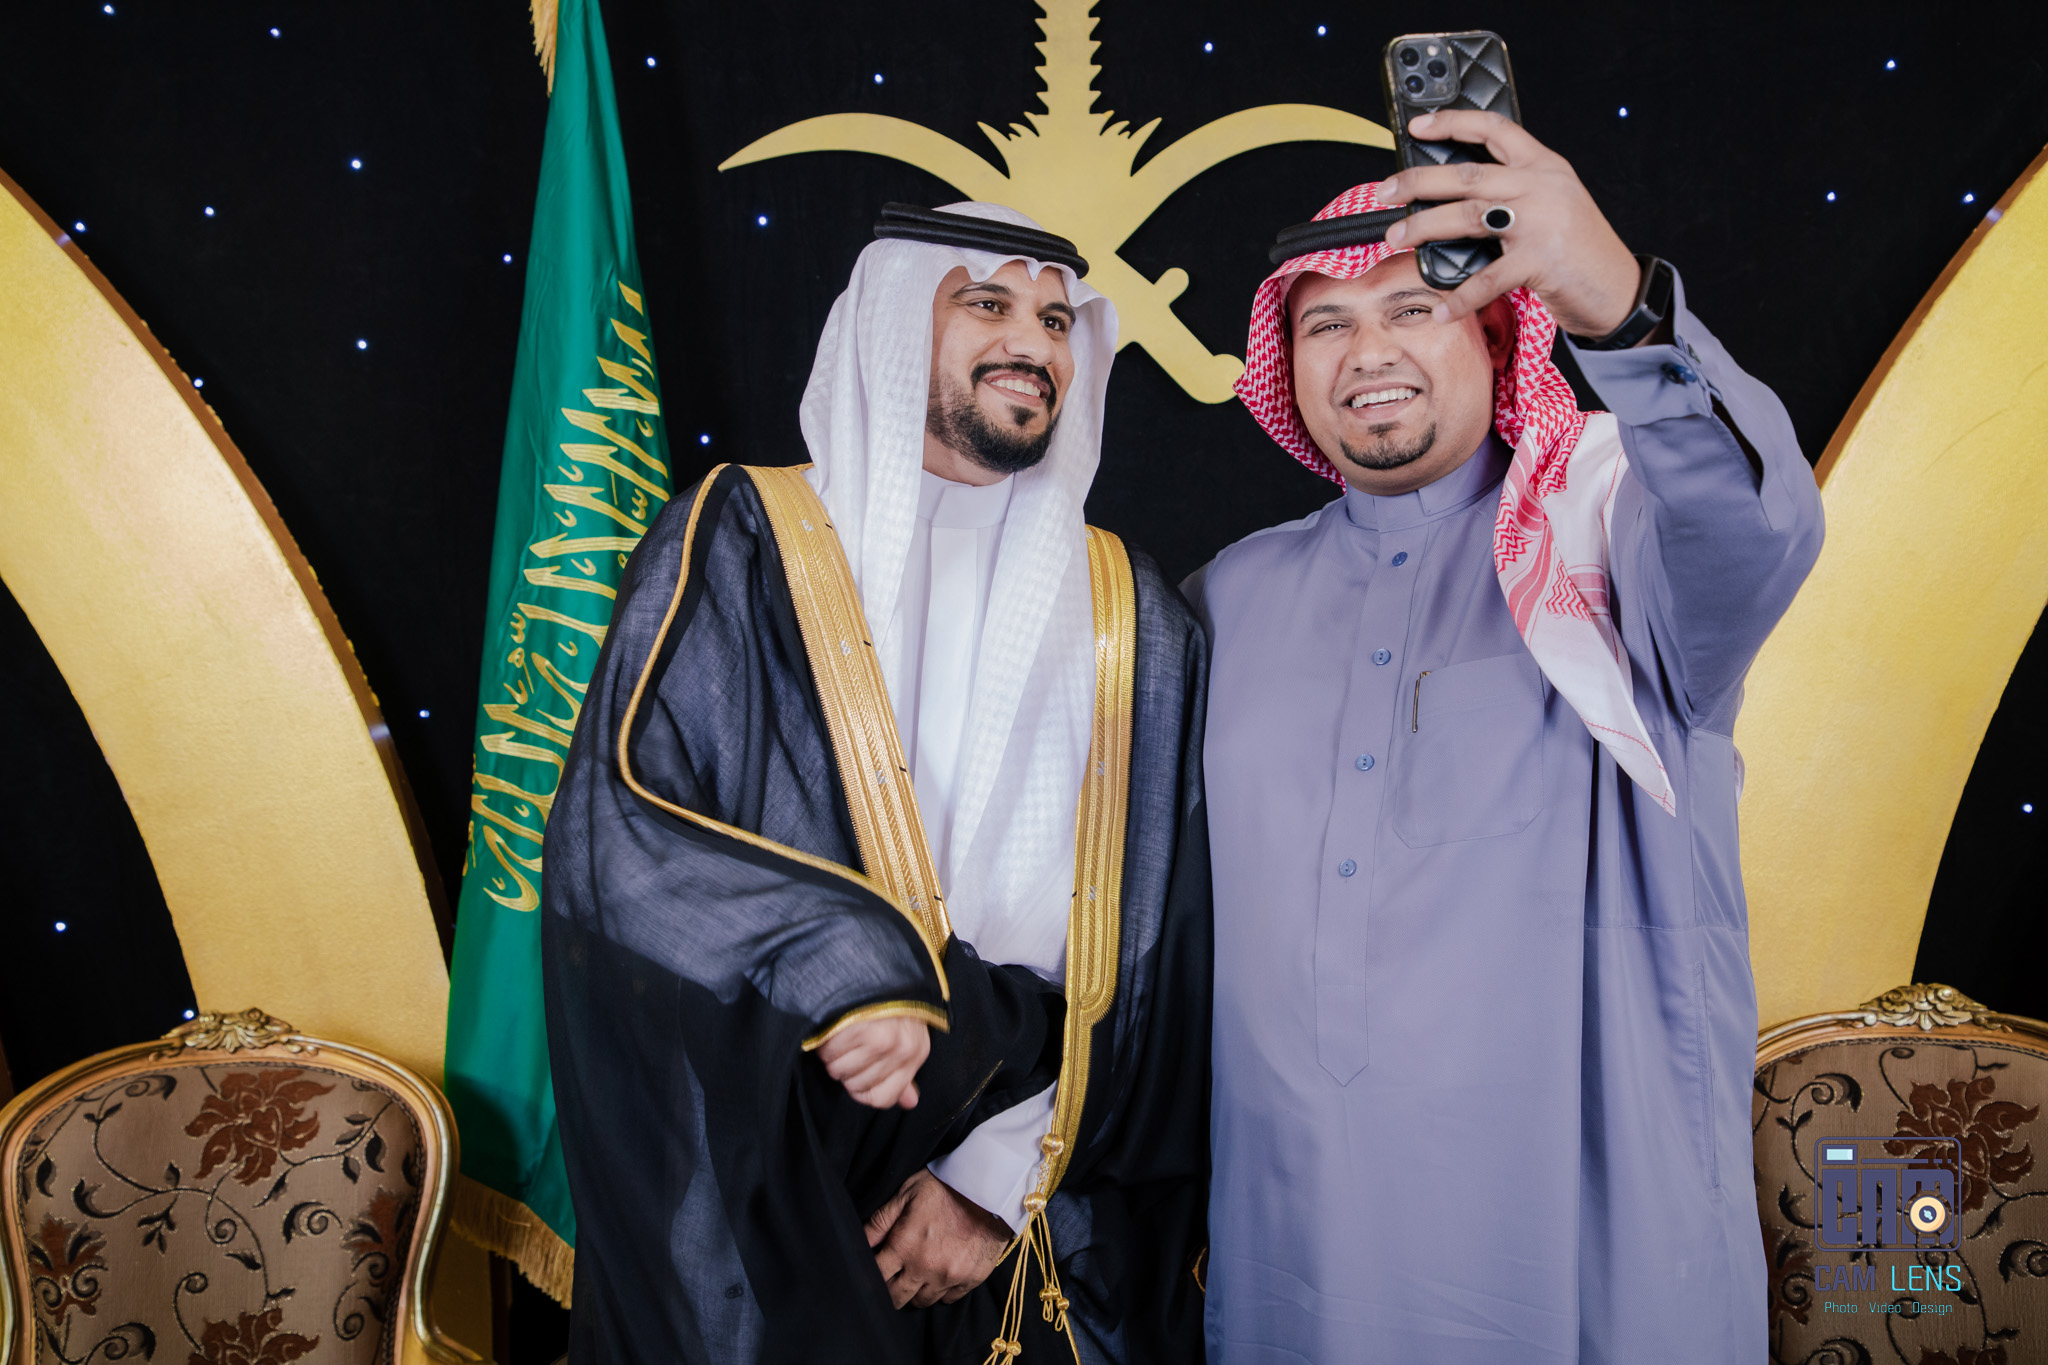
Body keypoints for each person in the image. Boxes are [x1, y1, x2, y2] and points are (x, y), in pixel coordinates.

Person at [1188, 110, 1824, 1363]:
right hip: (1291, 1269)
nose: (1366, 351)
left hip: (1588, 1259)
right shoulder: (1228, 599)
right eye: (1325, 324)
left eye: (1411, 308)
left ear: (1492, 335)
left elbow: (1754, 530)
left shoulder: (1601, 541)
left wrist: (1617, 309)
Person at [540, 201, 1210, 1364]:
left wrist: (993, 1181)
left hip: (1029, 1196)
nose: (1032, 343)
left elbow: (1159, 948)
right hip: (778, 1163)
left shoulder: (1131, 613)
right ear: (895, 326)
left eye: (1056, 321)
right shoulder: (747, 536)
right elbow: (622, 831)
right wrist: (846, 964)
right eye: (986, 305)